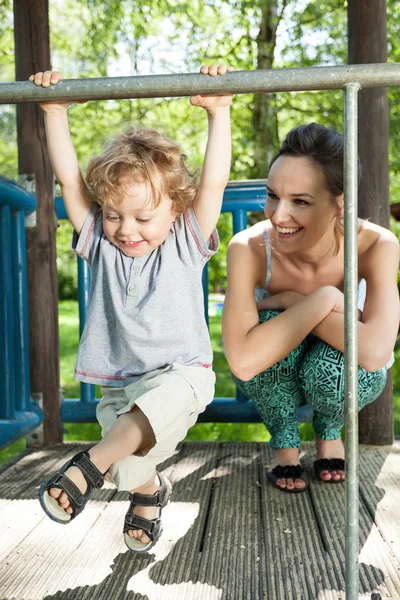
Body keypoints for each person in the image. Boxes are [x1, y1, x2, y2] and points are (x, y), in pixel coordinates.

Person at [31, 64, 233, 550]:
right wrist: (55, 113)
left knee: (110, 453)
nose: (127, 228)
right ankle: (151, 491)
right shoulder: (100, 243)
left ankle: (86, 469)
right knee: (126, 465)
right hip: (121, 388)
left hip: (181, 375)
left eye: (144, 217)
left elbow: (212, 185)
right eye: (115, 214)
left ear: (175, 212)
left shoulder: (184, 242)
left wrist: (220, 114)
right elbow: (71, 184)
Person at [222, 123, 399, 493]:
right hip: (279, 370)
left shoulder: (376, 245)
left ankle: (329, 429)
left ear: (341, 204)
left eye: (300, 201)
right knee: (269, 325)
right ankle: (285, 444)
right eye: (273, 196)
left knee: (335, 366)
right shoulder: (248, 248)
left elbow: (374, 353)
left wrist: (296, 303)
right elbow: (242, 360)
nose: (278, 215)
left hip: (339, 371)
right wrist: (325, 300)